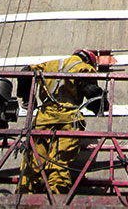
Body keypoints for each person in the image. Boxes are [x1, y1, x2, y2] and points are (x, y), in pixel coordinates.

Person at [18, 50, 109, 195]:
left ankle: (24, 196)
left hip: (43, 118)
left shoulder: (50, 64)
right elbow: (92, 93)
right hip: (68, 118)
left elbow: (25, 72)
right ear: (88, 61)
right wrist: (102, 105)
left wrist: (28, 99)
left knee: (33, 161)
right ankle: (55, 198)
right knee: (59, 162)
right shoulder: (83, 68)